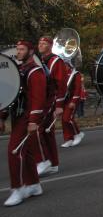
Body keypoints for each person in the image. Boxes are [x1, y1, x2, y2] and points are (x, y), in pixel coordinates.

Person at [1, 41, 47, 206]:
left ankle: (17, 189)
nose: (18, 52)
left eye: (22, 49)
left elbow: (38, 99)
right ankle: (34, 185)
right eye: (18, 49)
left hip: (27, 117)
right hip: (18, 116)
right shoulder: (19, 70)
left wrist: (34, 121)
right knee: (25, 152)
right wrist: (2, 116)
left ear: (30, 51)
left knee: (14, 152)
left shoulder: (35, 72)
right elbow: (12, 96)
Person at [34, 36, 67, 176]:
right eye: (39, 43)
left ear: (50, 45)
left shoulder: (55, 61)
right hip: (42, 100)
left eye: (44, 43)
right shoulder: (39, 61)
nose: (40, 45)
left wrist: (59, 105)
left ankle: (45, 161)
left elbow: (61, 84)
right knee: (47, 133)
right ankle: (53, 164)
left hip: (51, 100)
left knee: (40, 130)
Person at [60, 61, 85, 148]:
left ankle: (77, 134)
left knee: (68, 118)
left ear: (68, 65)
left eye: (64, 65)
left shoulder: (75, 74)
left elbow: (77, 89)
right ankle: (68, 139)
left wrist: (73, 101)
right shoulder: (61, 74)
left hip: (72, 99)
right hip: (64, 100)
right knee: (63, 120)